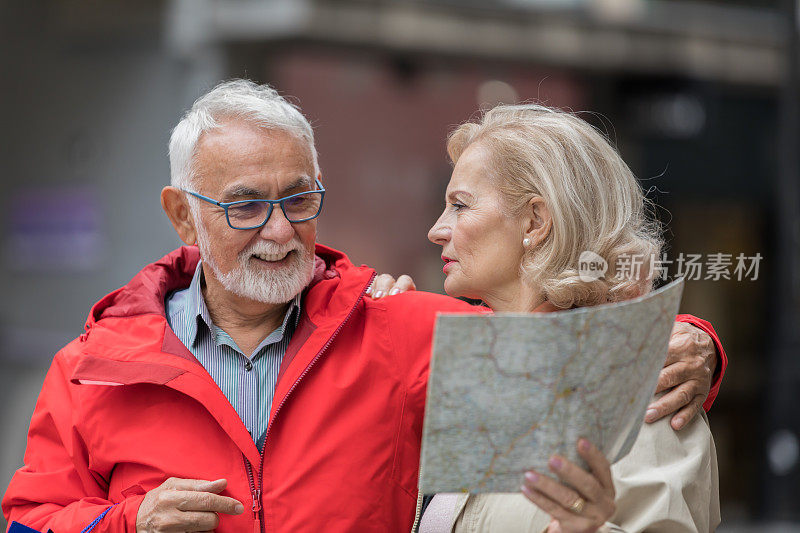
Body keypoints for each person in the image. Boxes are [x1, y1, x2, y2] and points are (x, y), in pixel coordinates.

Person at [2, 81, 724, 533]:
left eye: (299, 198)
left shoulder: (396, 325)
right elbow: (27, 523)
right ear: (183, 216)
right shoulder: (92, 368)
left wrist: (692, 343)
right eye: (247, 206)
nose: (280, 230)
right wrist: (129, 521)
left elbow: (575, 350)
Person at [413, 104, 720, 532]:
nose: (437, 229)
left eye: (459, 206)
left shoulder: (643, 391)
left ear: (536, 221)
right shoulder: (480, 370)